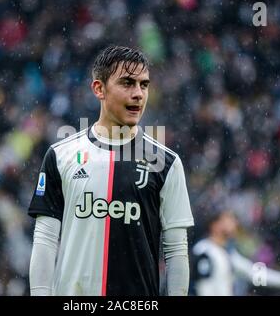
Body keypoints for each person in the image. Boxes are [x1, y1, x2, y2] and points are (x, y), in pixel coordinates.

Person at [27, 46, 194, 296]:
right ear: (99, 89)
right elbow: (45, 240)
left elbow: (176, 249)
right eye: (127, 83)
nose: (138, 94)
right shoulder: (61, 156)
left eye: (144, 85)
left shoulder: (166, 162)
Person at [191, 210, 280, 296]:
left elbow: (256, 274)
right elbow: (202, 288)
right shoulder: (204, 250)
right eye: (228, 219)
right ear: (215, 225)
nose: (235, 223)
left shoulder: (227, 254)